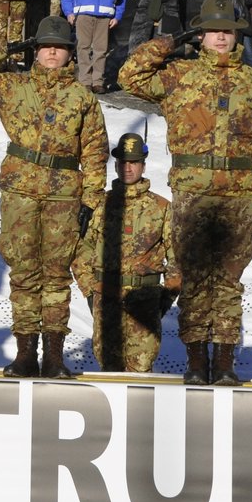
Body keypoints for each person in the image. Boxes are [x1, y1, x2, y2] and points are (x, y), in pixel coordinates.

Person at [118, 0, 252, 386]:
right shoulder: (179, 75)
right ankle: (196, 361)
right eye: (212, 31)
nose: (221, 38)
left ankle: (224, 361)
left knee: (227, 283)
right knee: (192, 279)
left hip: (238, 198)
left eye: (227, 31)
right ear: (201, 35)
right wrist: (169, 40)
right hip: (192, 194)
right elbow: (130, 76)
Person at [0, 16, 108, 378]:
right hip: (21, 191)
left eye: (59, 47)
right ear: (36, 51)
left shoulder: (81, 98)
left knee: (57, 275)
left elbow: (94, 153)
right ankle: (26, 352)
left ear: (70, 53)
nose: (52, 52)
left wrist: (90, 201)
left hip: (64, 195)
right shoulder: (13, 87)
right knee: (24, 274)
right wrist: (8, 48)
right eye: (45, 46)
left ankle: (54, 356)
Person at [71, 133, 177, 374]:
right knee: (109, 368)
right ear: (117, 165)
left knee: (140, 370)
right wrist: (90, 292)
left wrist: (165, 299)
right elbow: (82, 250)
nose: (128, 168)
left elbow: (176, 258)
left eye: (134, 162)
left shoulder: (161, 208)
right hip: (106, 298)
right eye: (123, 163)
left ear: (143, 165)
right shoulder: (100, 206)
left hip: (144, 301)